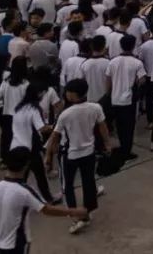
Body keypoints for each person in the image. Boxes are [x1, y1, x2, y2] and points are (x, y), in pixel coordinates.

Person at [0, 147, 88, 252]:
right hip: (17, 244)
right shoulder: (24, 191)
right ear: (25, 166)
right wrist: (74, 211)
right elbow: (47, 210)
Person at [45, 78, 110, 235]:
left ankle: (75, 215)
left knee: (67, 186)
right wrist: (107, 144)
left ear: (72, 95)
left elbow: (54, 138)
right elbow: (103, 128)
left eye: (67, 92)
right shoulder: (96, 108)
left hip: (69, 154)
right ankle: (87, 210)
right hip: (88, 152)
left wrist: (48, 157)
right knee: (88, 182)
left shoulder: (65, 114)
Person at [9, 82, 57, 204]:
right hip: (30, 148)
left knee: (20, 176)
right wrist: (54, 127)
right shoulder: (34, 109)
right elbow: (41, 128)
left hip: (16, 146)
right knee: (40, 175)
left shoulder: (18, 108)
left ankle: (16, 199)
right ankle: (49, 198)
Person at [105, 34, 146, 160]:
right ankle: (126, 151)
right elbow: (142, 80)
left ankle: (122, 146)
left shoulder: (113, 62)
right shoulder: (137, 62)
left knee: (119, 126)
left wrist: (109, 93)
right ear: (133, 46)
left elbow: (108, 80)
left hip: (115, 98)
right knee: (129, 127)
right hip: (129, 99)